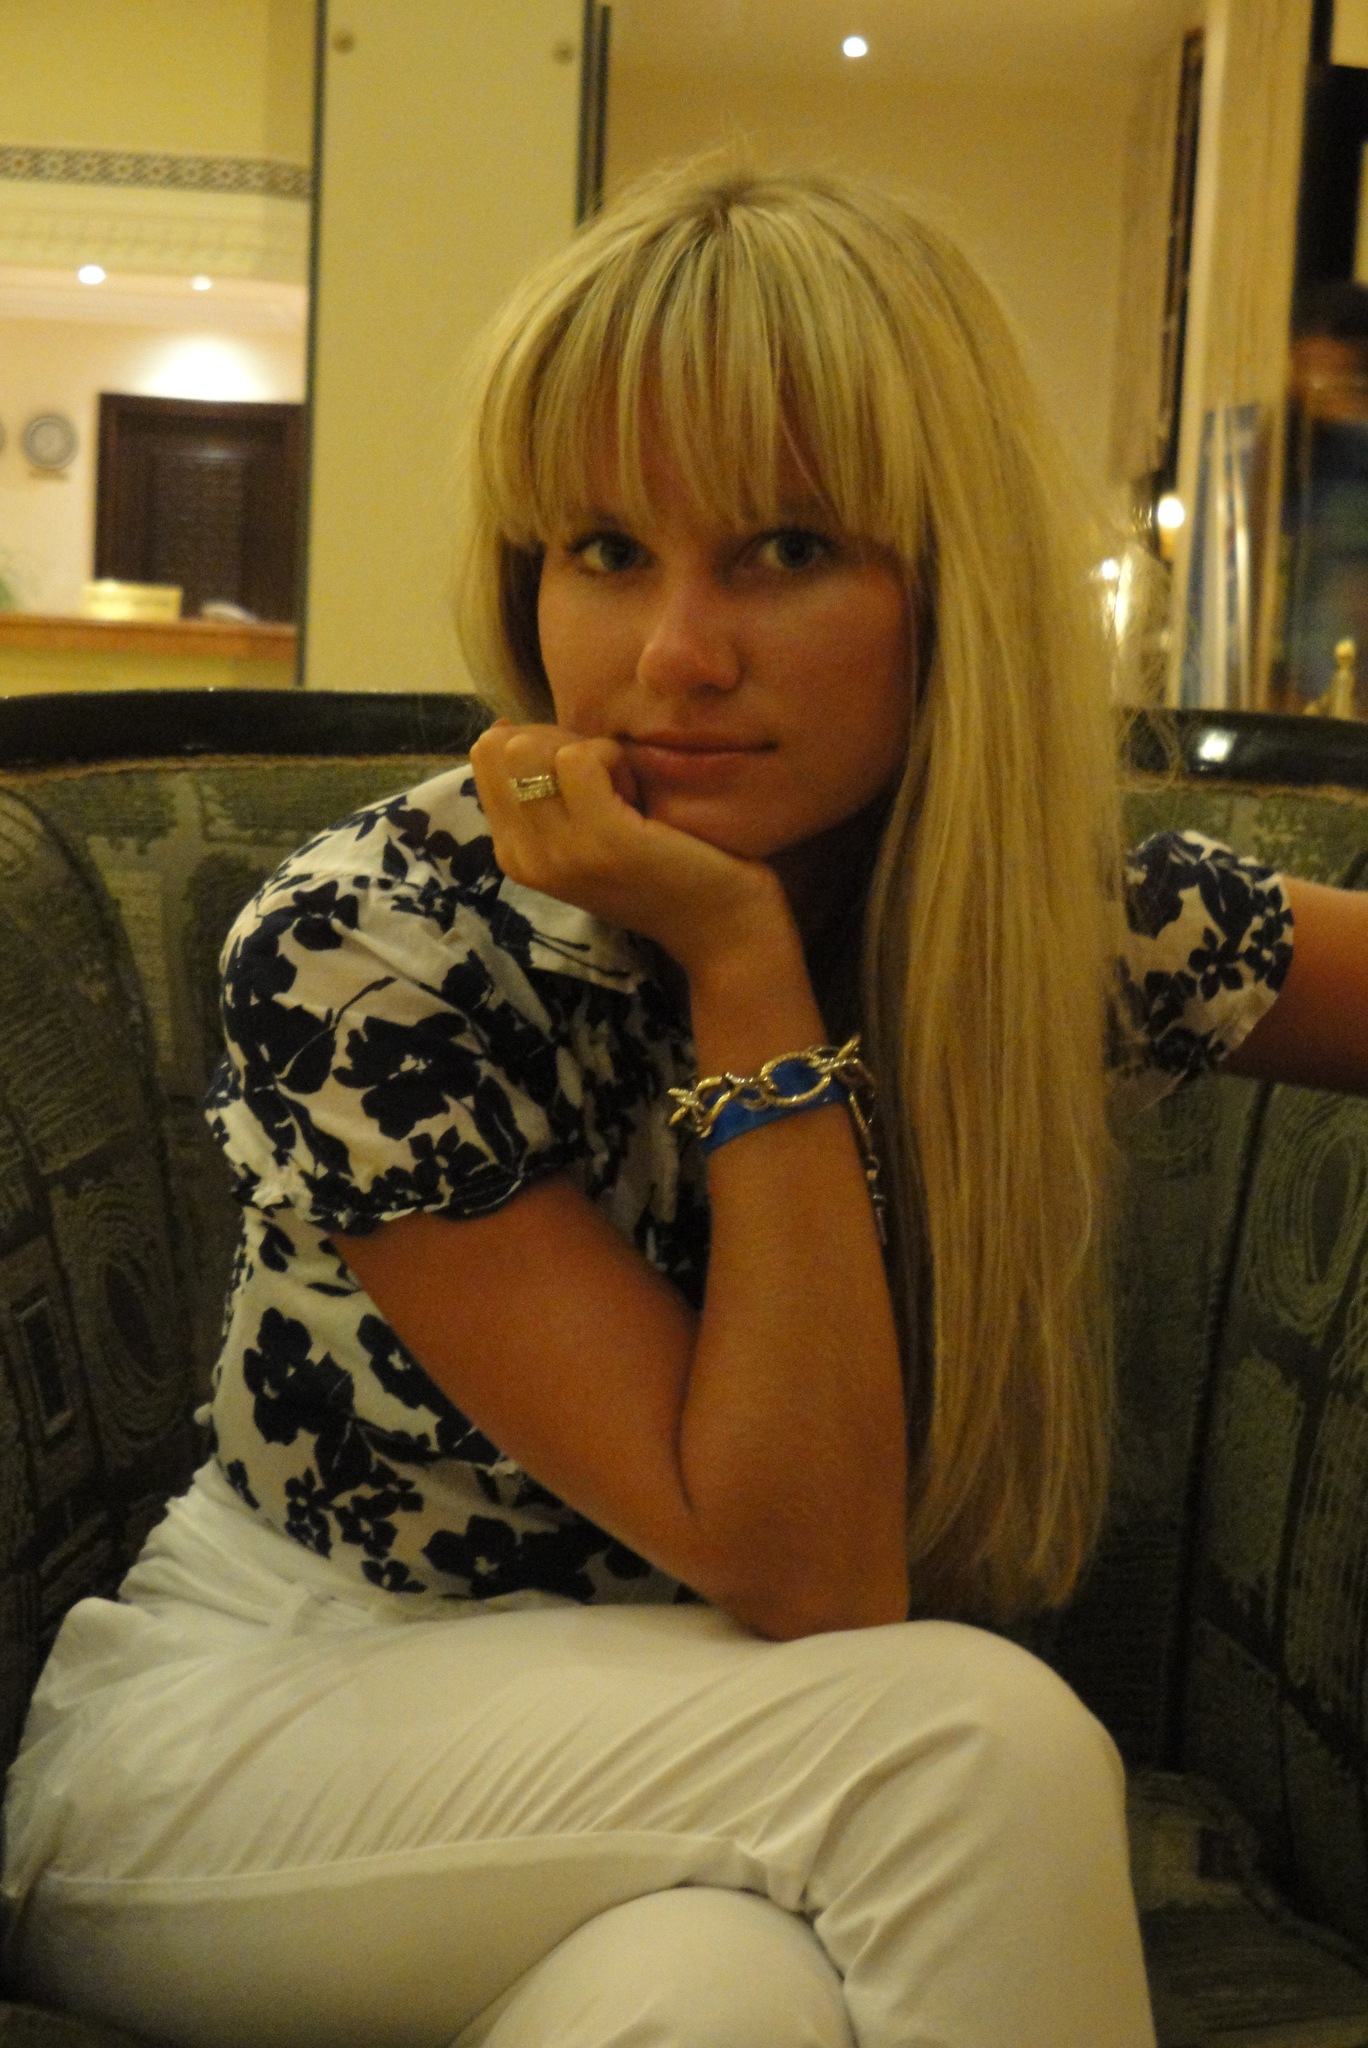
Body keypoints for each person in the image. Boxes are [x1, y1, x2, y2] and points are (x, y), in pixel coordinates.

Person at [6, 162, 1368, 2048]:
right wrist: (740, 960)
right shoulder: (374, 949)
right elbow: (809, 1569)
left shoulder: (1033, 927)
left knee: (719, 2002)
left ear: (951, 587)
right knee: (968, 1748)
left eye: (786, 550)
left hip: (707, 1764)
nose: (674, 659)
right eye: (604, 549)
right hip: (257, 1730)